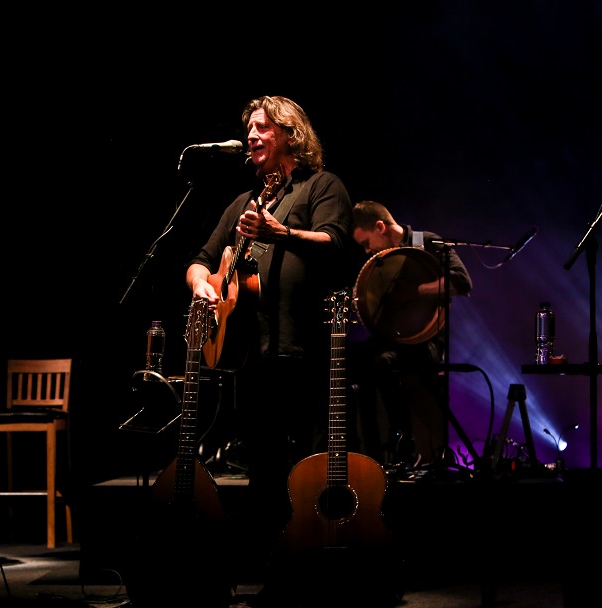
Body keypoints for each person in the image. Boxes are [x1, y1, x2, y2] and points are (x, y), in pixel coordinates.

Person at [185, 96, 354, 602]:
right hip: (251, 354)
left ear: (290, 134)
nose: (252, 136)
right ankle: (273, 575)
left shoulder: (322, 186)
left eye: (262, 128)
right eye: (250, 129)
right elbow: (200, 259)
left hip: (303, 349)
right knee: (264, 471)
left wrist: (282, 232)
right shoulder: (244, 202)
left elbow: (336, 243)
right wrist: (203, 285)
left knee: (305, 468)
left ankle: (315, 570)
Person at [349, 201, 473, 474]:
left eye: (366, 243)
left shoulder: (425, 242)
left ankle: (406, 441)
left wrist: (416, 291)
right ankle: (364, 456)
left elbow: (462, 282)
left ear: (380, 227)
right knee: (347, 360)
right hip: (393, 340)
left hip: (426, 342)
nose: (367, 251)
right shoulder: (381, 261)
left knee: (384, 362)